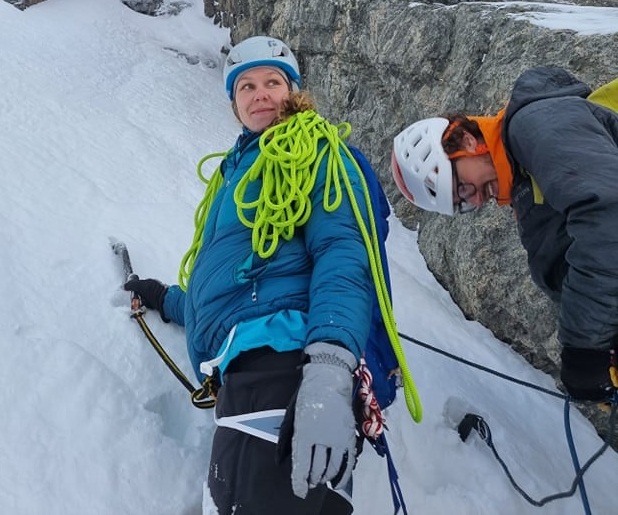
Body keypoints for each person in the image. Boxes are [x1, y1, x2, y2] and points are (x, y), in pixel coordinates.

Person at [129, 35, 381, 514]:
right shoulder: (237, 172)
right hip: (250, 370)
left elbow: (343, 253)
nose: (259, 93)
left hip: (284, 365)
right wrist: (165, 297)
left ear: (293, 92)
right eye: (245, 86)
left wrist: (329, 372)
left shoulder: (315, 152)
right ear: (234, 103)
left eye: (272, 81)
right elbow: (230, 291)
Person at [391, 64, 618, 404]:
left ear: (466, 140)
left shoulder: (537, 124)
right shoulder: (528, 192)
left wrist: (584, 348)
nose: (477, 199)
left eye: (463, 188)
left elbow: (607, 216)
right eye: (463, 204)